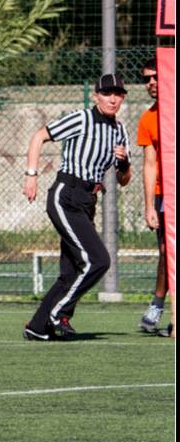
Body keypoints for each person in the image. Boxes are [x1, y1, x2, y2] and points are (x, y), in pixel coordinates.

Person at [22, 73, 132, 341]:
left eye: (118, 94)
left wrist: (125, 162)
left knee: (70, 271)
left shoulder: (120, 130)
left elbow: (124, 180)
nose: (113, 99)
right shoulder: (81, 118)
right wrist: (31, 174)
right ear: (96, 96)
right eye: (107, 93)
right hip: (66, 195)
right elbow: (39, 136)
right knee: (98, 260)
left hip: (87, 201)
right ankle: (58, 314)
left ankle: (37, 327)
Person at [135, 60, 170, 335]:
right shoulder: (148, 118)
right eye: (147, 79)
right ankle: (157, 305)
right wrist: (148, 205)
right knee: (165, 253)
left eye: (156, 77)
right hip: (163, 195)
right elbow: (149, 164)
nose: (152, 83)